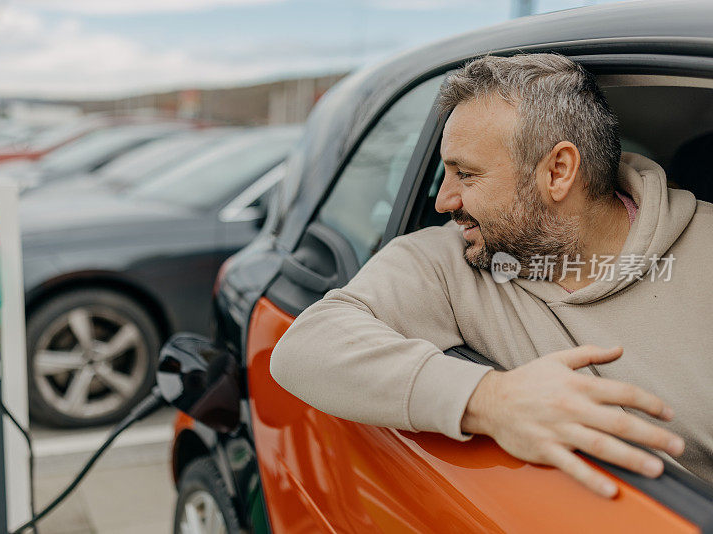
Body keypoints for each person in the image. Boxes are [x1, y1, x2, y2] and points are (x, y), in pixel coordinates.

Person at [270, 53, 713, 498]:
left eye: (465, 174)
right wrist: (490, 400)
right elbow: (304, 347)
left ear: (557, 172)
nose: (443, 200)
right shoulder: (449, 260)